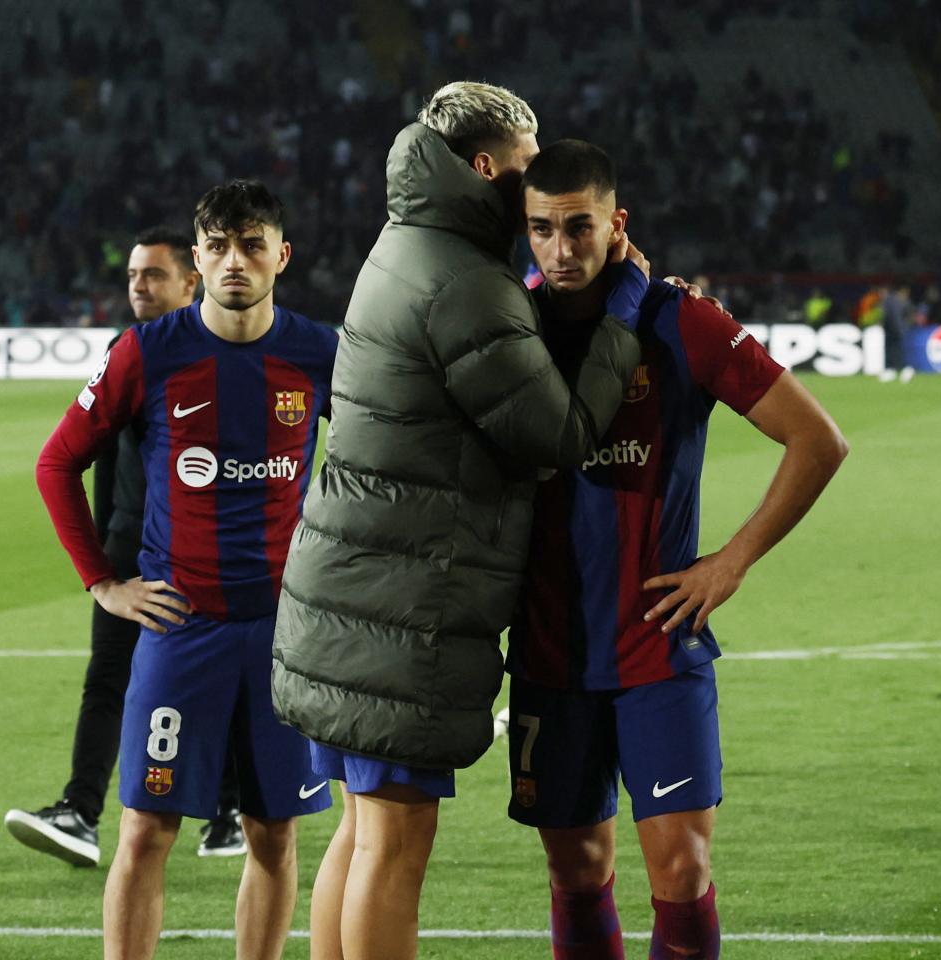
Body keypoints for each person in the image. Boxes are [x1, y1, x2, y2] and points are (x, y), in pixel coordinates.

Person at [268, 84, 641, 960]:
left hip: (351, 591)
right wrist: (622, 314)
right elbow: (560, 434)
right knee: (394, 845)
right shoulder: (468, 280)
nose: (535, 176)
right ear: (485, 166)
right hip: (404, 606)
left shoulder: (406, 241)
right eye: (525, 161)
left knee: (361, 833)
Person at [507, 138, 847, 960]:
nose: (560, 249)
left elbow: (818, 439)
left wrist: (730, 562)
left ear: (616, 224)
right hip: (550, 654)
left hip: (660, 650)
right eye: (542, 230)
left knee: (683, 871)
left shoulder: (681, 322)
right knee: (576, 871)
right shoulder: (509, 328)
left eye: (579, 227)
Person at [36, 180, 338, 960]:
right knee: (144, 829)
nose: (236, 261)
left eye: (252, 244)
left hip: (284, 636)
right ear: (198, 260)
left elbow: (385, 461)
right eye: (219, 246)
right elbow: (57, 462)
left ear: (281, 255)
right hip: (182, 628)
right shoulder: (147, 352)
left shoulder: (321, 353)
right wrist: (103, 584)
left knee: (273, 833)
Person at [5, 227, 248, 868]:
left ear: (190, 281)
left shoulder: (225, 351)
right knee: (108, 680)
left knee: (214, 679)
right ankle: (81, 812)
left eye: (153, 274)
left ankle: (228, 812)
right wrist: (105, 565)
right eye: (134, 274)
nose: (138, 285)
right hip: (130, 548)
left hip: (199, 553)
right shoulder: (127, 349)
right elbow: (96, 458)